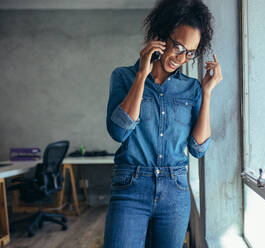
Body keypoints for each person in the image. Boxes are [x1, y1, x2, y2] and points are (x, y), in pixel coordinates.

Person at [103, 0, 222, 247]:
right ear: (160, 36)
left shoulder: (192, 89)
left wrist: (207, 92)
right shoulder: (123, 76)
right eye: (178, 46)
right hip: (130, 188)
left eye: (190, 52)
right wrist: (141, 75)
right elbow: (118, 132)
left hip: (175, 190)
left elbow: (198, 149)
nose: (181, 58)